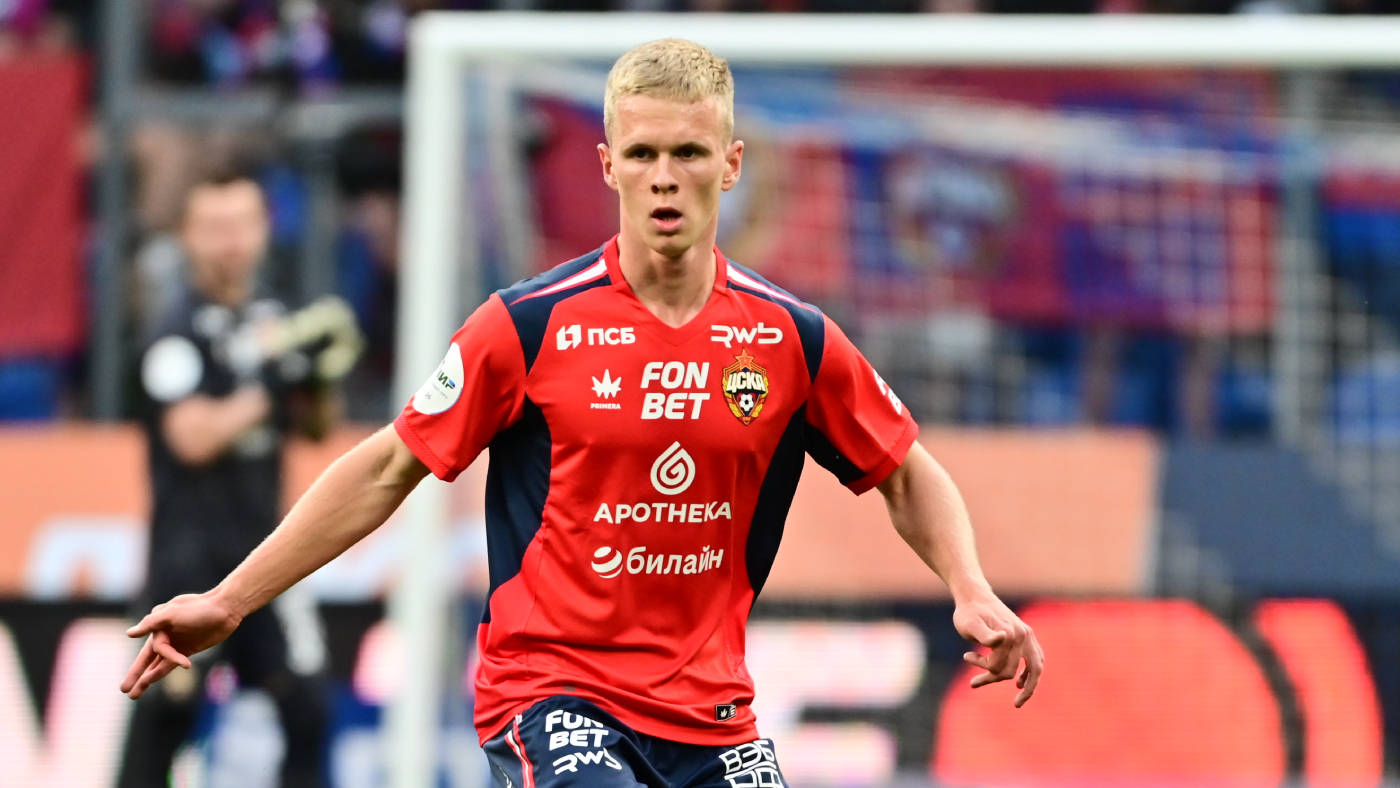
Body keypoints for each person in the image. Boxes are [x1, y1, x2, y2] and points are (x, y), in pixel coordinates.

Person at [121, 41, 1044, 787]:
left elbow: (905, 470)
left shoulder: (789, 338)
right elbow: (387, 465)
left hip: (713, 716)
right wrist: (229, 601)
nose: (665, 178)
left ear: (731, 164)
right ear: (608, 166)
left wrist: (970, 588)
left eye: (688, 153)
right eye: (642, 155)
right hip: (554, 697)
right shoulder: (528, 325)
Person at [119, 172, 347, 788]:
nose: (231, 242)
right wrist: (270, 384)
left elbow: (318, 430)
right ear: (187, 236)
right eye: (214, 228)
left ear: (265, 229)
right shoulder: (175, 332)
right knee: (164, 720)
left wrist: (319, 379)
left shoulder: (277, 319)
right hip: (188, 563)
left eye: (242, 225)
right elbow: (191, 439)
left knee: (307, 709)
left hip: (268, 558)